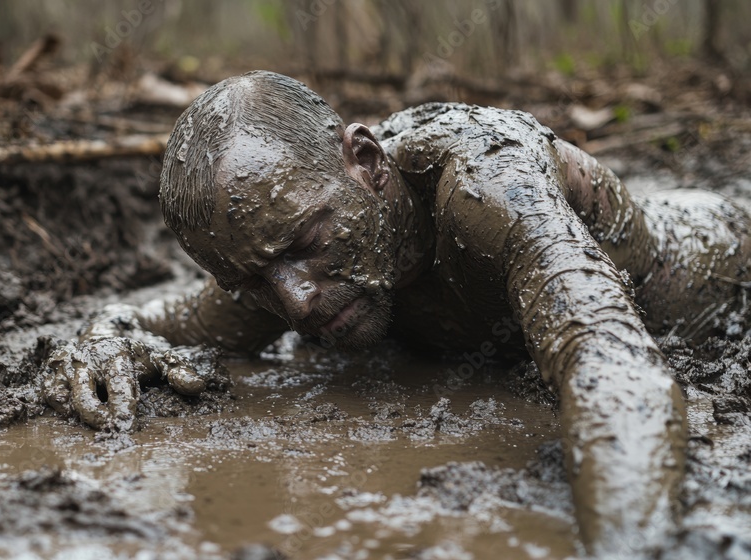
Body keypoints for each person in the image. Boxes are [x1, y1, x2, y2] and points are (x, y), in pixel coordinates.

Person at [43, 71, 751, 556]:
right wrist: (103, 337)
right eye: (251, 281)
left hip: (722, 253)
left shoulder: (484, 185)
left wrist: (635, 546)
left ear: (366, 159)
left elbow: (609, 362)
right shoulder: (280, 259)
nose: (294, 303)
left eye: (307, 245)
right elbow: (160, 321)